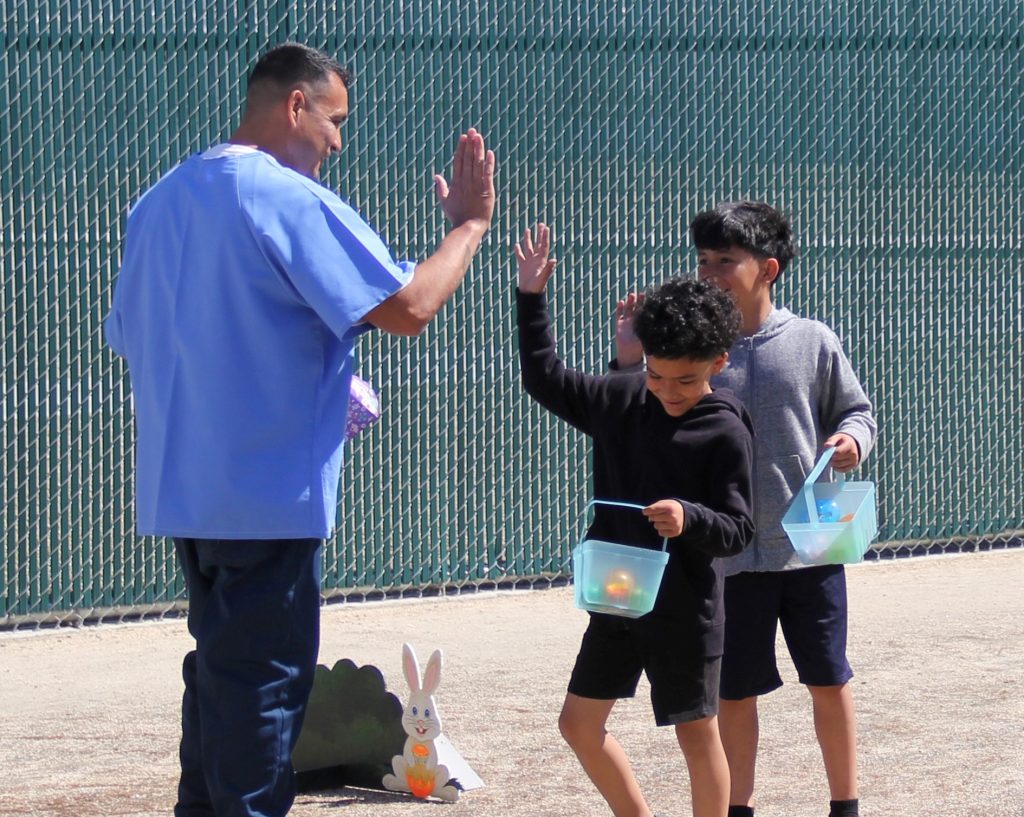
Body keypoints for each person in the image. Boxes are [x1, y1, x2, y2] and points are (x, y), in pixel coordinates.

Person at [104, 43, 495, 817]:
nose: (339, 142)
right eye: (335, 120)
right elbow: (409, 306)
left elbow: (146, 334)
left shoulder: (157, 201)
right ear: (295, 105)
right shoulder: (281, 196)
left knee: (220, 672)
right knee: (263, 687)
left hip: (187, 491)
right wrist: (470, 226)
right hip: (269, 494)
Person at [613, 201, 877, 817]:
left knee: (829, 679)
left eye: (726, 261)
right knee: (734, 693)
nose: (711, 272)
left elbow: (857, 412)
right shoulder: (696, 352)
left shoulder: (813, 340)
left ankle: (846, 804)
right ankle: (738, 807)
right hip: (724, 559)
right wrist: (628, 360)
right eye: (703, 260)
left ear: (769, 268)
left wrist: (851, 442)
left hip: (810, 547)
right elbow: (639, 409)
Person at [515, 223, 755, 817]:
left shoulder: (724, 426)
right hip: (618, 597)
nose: (669, 391)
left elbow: (738, 528)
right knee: (578, 724)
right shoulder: (621, 399)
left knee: (697, 736)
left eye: (687, 379)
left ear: (719, 363)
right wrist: (530, 297)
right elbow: (543, 377)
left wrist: (688, 516)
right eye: (656, 374)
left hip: (685, 609)